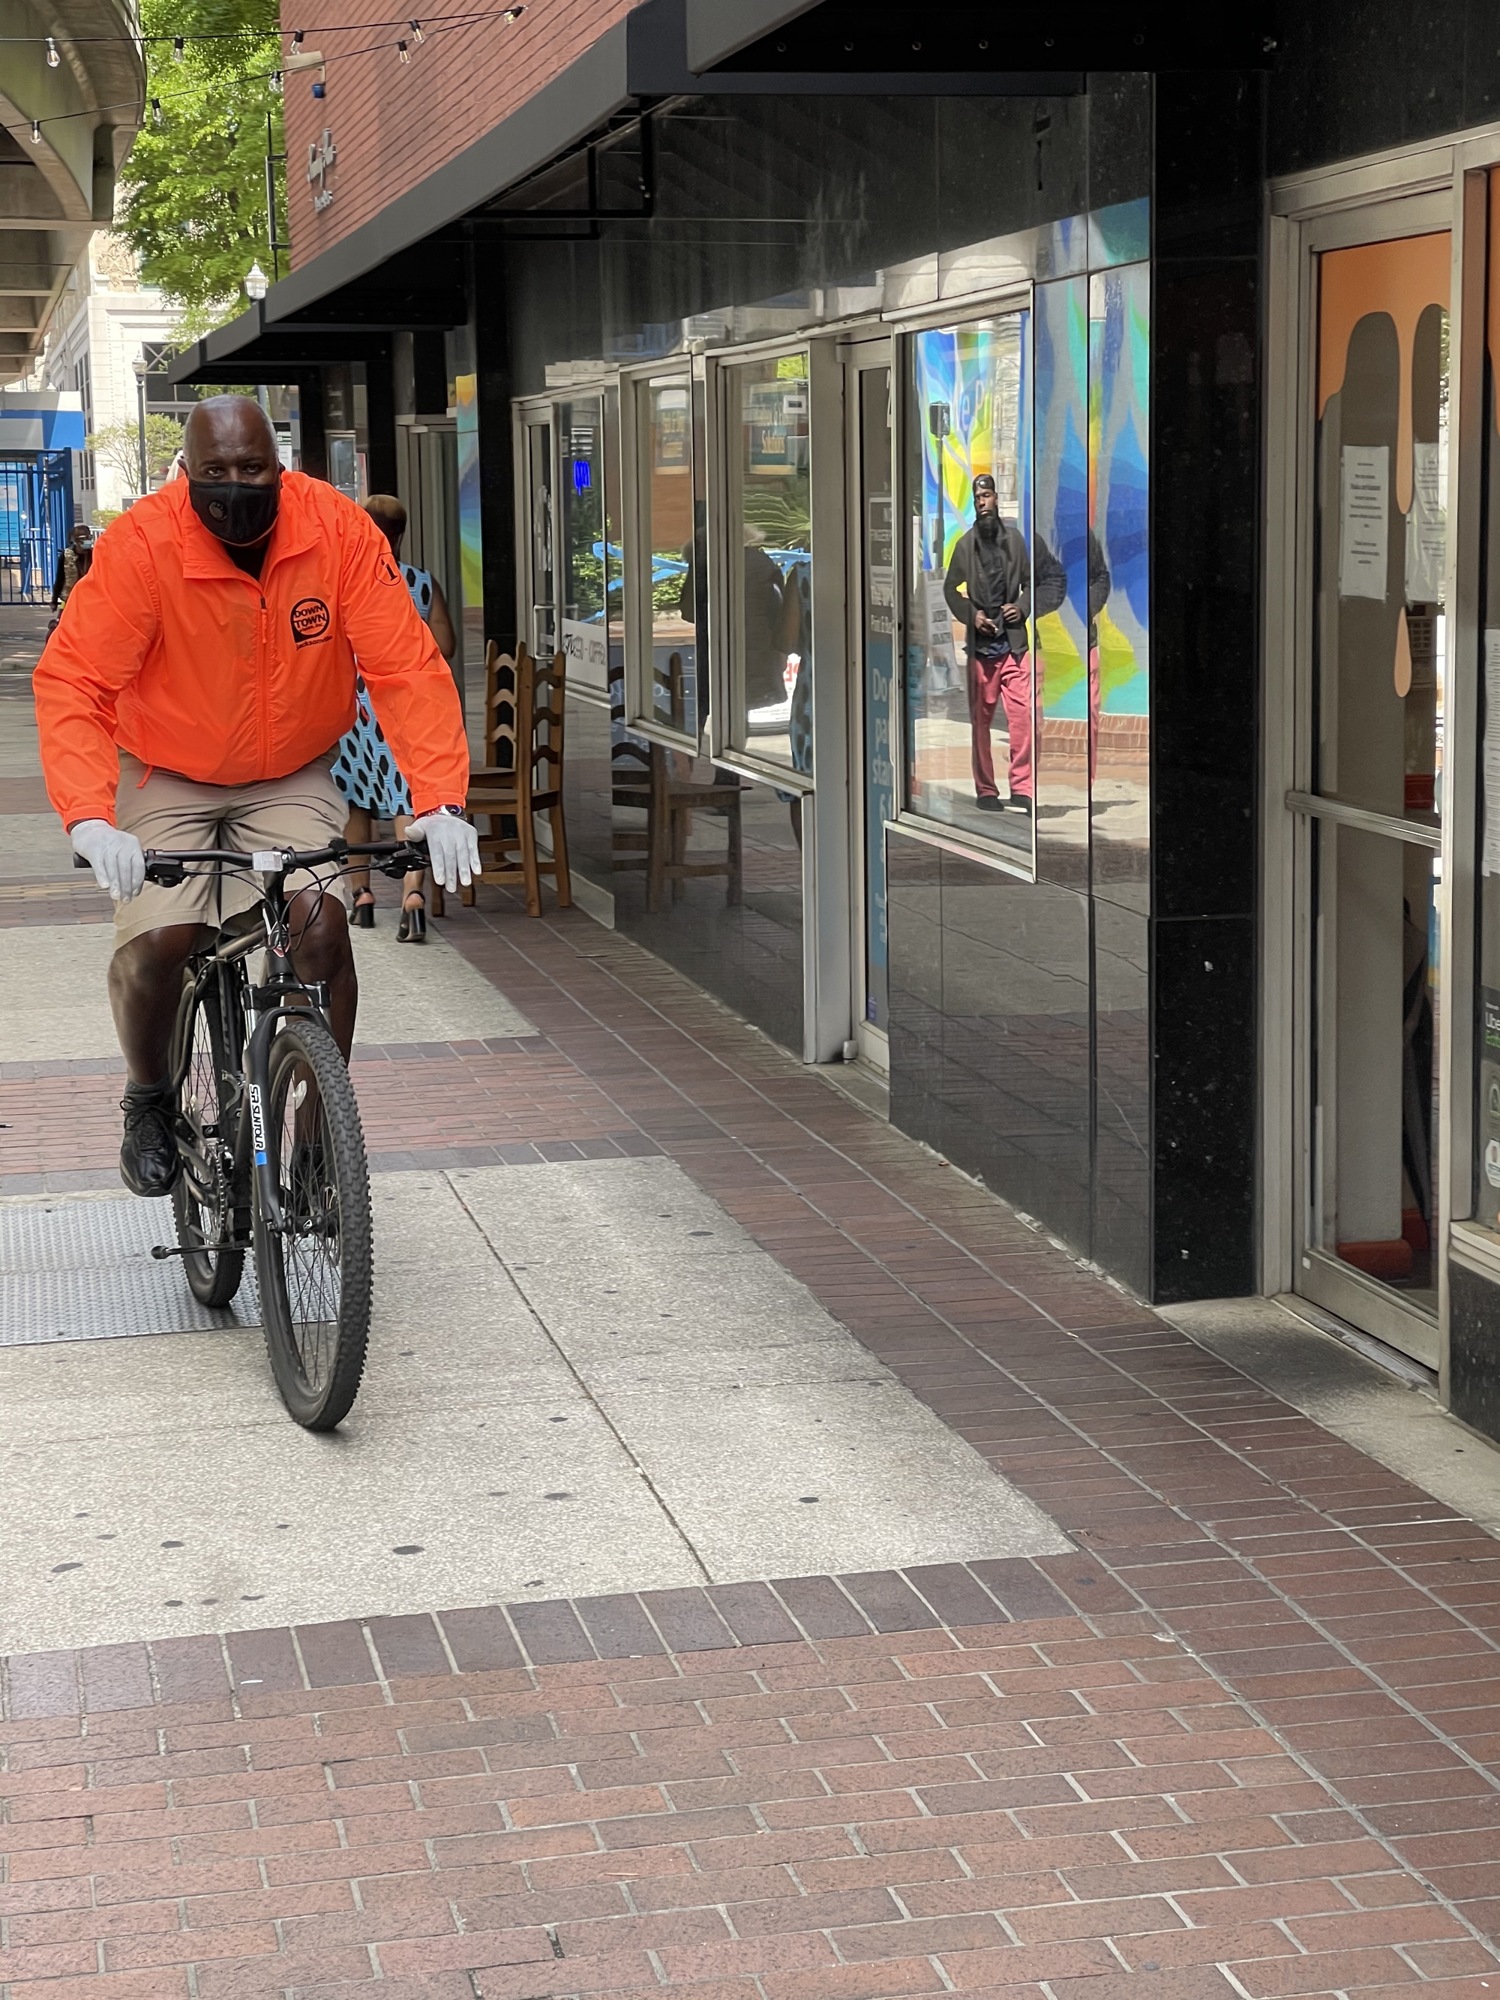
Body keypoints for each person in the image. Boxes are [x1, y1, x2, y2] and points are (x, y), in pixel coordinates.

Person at [32, 394, 478, 1199]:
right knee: (162, 942)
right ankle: (150, 1095)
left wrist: (441, 798)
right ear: (186, 471)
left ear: (282, 466)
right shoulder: (143, 545)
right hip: (165, 767)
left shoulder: (337, 531)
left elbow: (407, 666)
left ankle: (314, 1139)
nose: (235, 486)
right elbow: (75, 681)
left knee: (320, 929)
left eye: (252, 469)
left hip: (292, 768)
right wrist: (91, 818)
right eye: (215, 472)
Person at [333, 493, 460, 943]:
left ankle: (362, 895)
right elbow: (445, 647)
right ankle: (412, 896)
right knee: (410, 799)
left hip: (355, 708)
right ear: (401, 534)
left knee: (355, 801)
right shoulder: (421, 583)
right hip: (405, 708)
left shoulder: (345, 582)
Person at [943, 474, 1040, 815]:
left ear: (998, 498)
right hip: (982, 650)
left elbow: (1033, 586)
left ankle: (1023, 788)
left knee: (1022, 718)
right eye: (977, 498)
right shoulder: (965, 544)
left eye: (986, 495)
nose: (982, 502)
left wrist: (1022, 608)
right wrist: (972, 616)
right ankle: (986, 790)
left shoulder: (1015, 541)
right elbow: (950, 588)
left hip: (1014, 646)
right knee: (980, 722)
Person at [48, 521, 93, 631]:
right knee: (64, 626)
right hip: (70, 598)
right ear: (76, 541)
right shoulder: (66, 555)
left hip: (90, 599)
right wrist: (54, 601)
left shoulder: (94, 554)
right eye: (84, 539)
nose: (87, 542)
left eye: (89, 538)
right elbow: (60, 578)